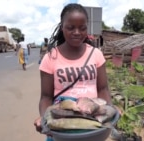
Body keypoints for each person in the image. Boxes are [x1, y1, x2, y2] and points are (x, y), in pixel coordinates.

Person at [33, 3, 117, 141]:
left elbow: (102, 89)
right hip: (63, 123)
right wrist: (44, 119)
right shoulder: (50, 58)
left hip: (91, 121)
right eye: (70, 28)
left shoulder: (96, 54)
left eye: (82, 28)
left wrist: (110, 111)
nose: (77, 32)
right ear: (62, 28)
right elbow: (46, 97)